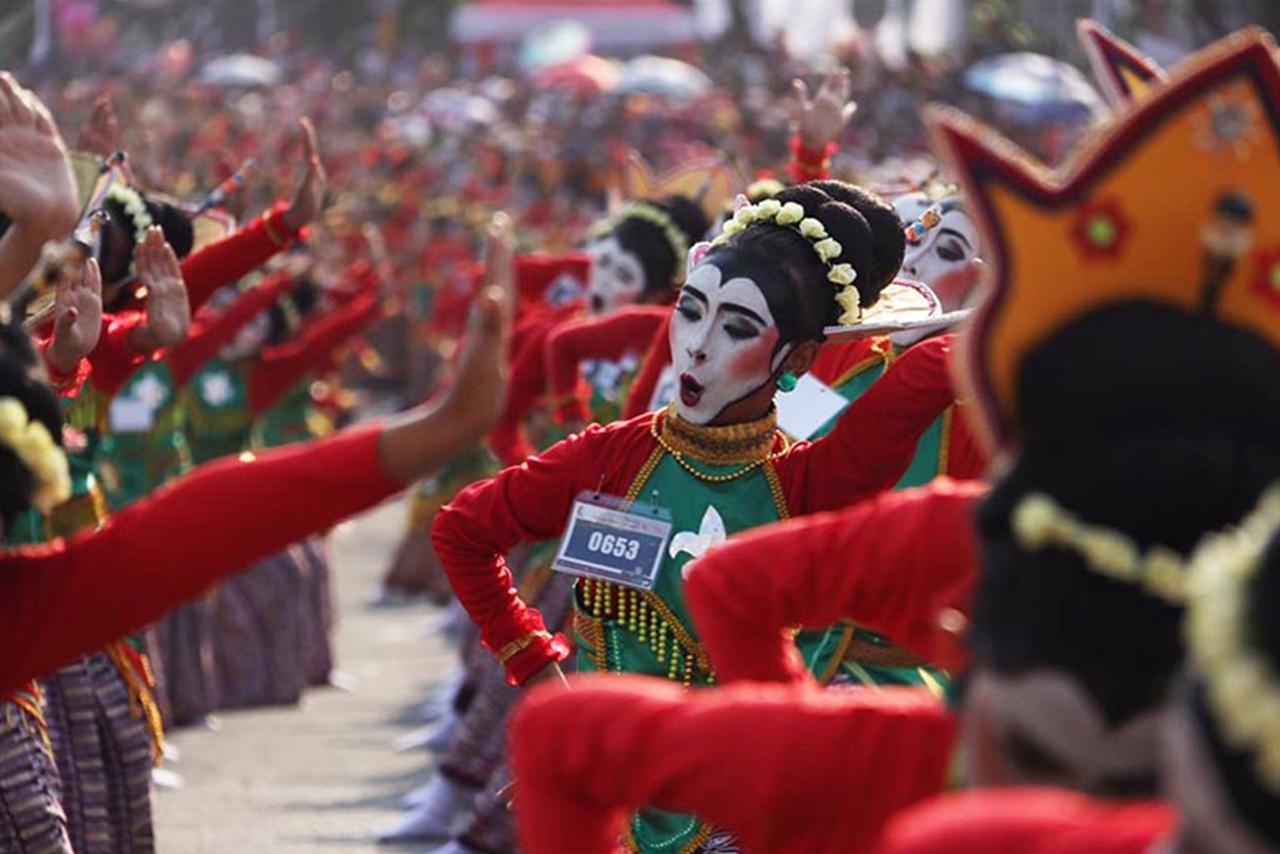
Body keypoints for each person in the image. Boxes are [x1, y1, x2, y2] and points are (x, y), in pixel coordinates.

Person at [505, 28, 1280, 853]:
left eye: (952, 251)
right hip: (758, 652)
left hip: (875, 677)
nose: (914, 258)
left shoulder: (960, 401)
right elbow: (781, 278)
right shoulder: (866, 366)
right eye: (922, 238)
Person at [433, 178, 974, 854]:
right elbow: (462, 531)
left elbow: (931, 375)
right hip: (613, 792)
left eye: (738, 328)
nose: (697, 345)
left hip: (741, 804)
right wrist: (538, 668)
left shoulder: (809, 481)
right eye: (691, 310)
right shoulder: (608, 459)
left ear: (799, 359)